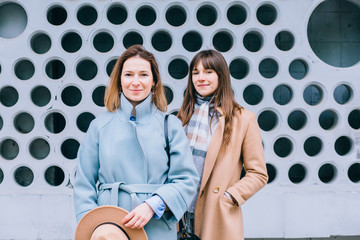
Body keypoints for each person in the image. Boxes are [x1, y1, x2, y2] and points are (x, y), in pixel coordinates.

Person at [73, 45, 199, 240]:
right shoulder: (99, 126)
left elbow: (186, 179)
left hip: (156, 223)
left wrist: (153, 205)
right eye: (129, 74)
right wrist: (93, 225)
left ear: (154, 81)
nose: (136, 82)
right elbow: (84, 183)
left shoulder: (170, 125)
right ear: (119, 80)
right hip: (109, 227)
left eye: (143, 75)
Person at [177, 49, 269, 240]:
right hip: (180, 213)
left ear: (221, 76)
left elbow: (258, 173)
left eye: (208, 71)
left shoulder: (243, 119)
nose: (201, 78)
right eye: (196, 72)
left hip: (215, 211)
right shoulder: (182, 117)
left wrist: (230, 197)